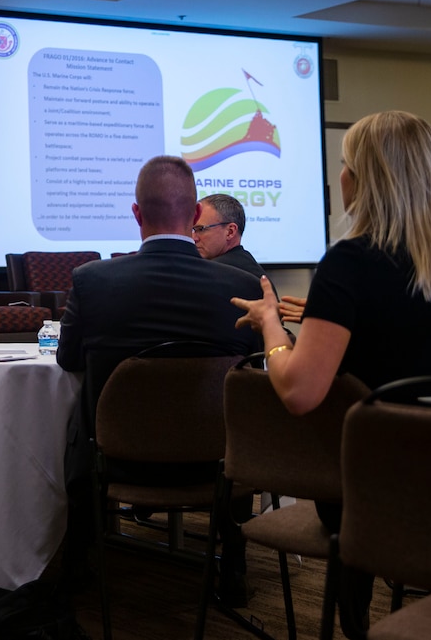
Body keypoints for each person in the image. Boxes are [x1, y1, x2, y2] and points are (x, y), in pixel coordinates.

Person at [232, 110, 431, 639]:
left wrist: (272, 329)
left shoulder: (352, 262)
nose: (340, 177)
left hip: (366, 491)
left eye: (344, 165)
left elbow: (300, 394)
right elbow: (423, 337)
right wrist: (330, 316)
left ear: (361, 178)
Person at [56, 155, 264, 602]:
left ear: (136, 214)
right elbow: (252, 373)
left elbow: (68, 360)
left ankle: (77, 561)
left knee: (75, 419)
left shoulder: (91, 281)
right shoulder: (241, 287)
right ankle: (233, 564)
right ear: (193, 217)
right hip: (217, 462)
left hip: (116, 461)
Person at [193, 193, 267, 278]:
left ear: (230, 232)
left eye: (201, 229)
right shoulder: (251, 267)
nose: (194, 238)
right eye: (192, 230)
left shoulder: (212, 273)